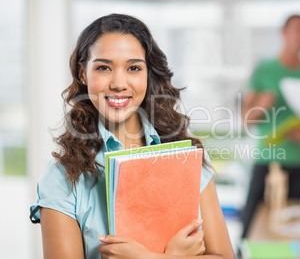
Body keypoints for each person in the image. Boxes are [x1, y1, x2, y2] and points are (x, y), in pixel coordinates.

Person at [29, 14, 234, 259]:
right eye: (103, 67)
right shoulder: (63, 177)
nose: (118, 83)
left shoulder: (185, 154)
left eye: (133, 68)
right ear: (83, 73)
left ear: (149, 73)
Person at [240, 14, 300, 240]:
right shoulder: (265, 70)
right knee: (252, 230)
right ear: (284, 33)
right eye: (298, 30)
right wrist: (264, 103)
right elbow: (246, 119)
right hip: (270, 163)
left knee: (298, 233)